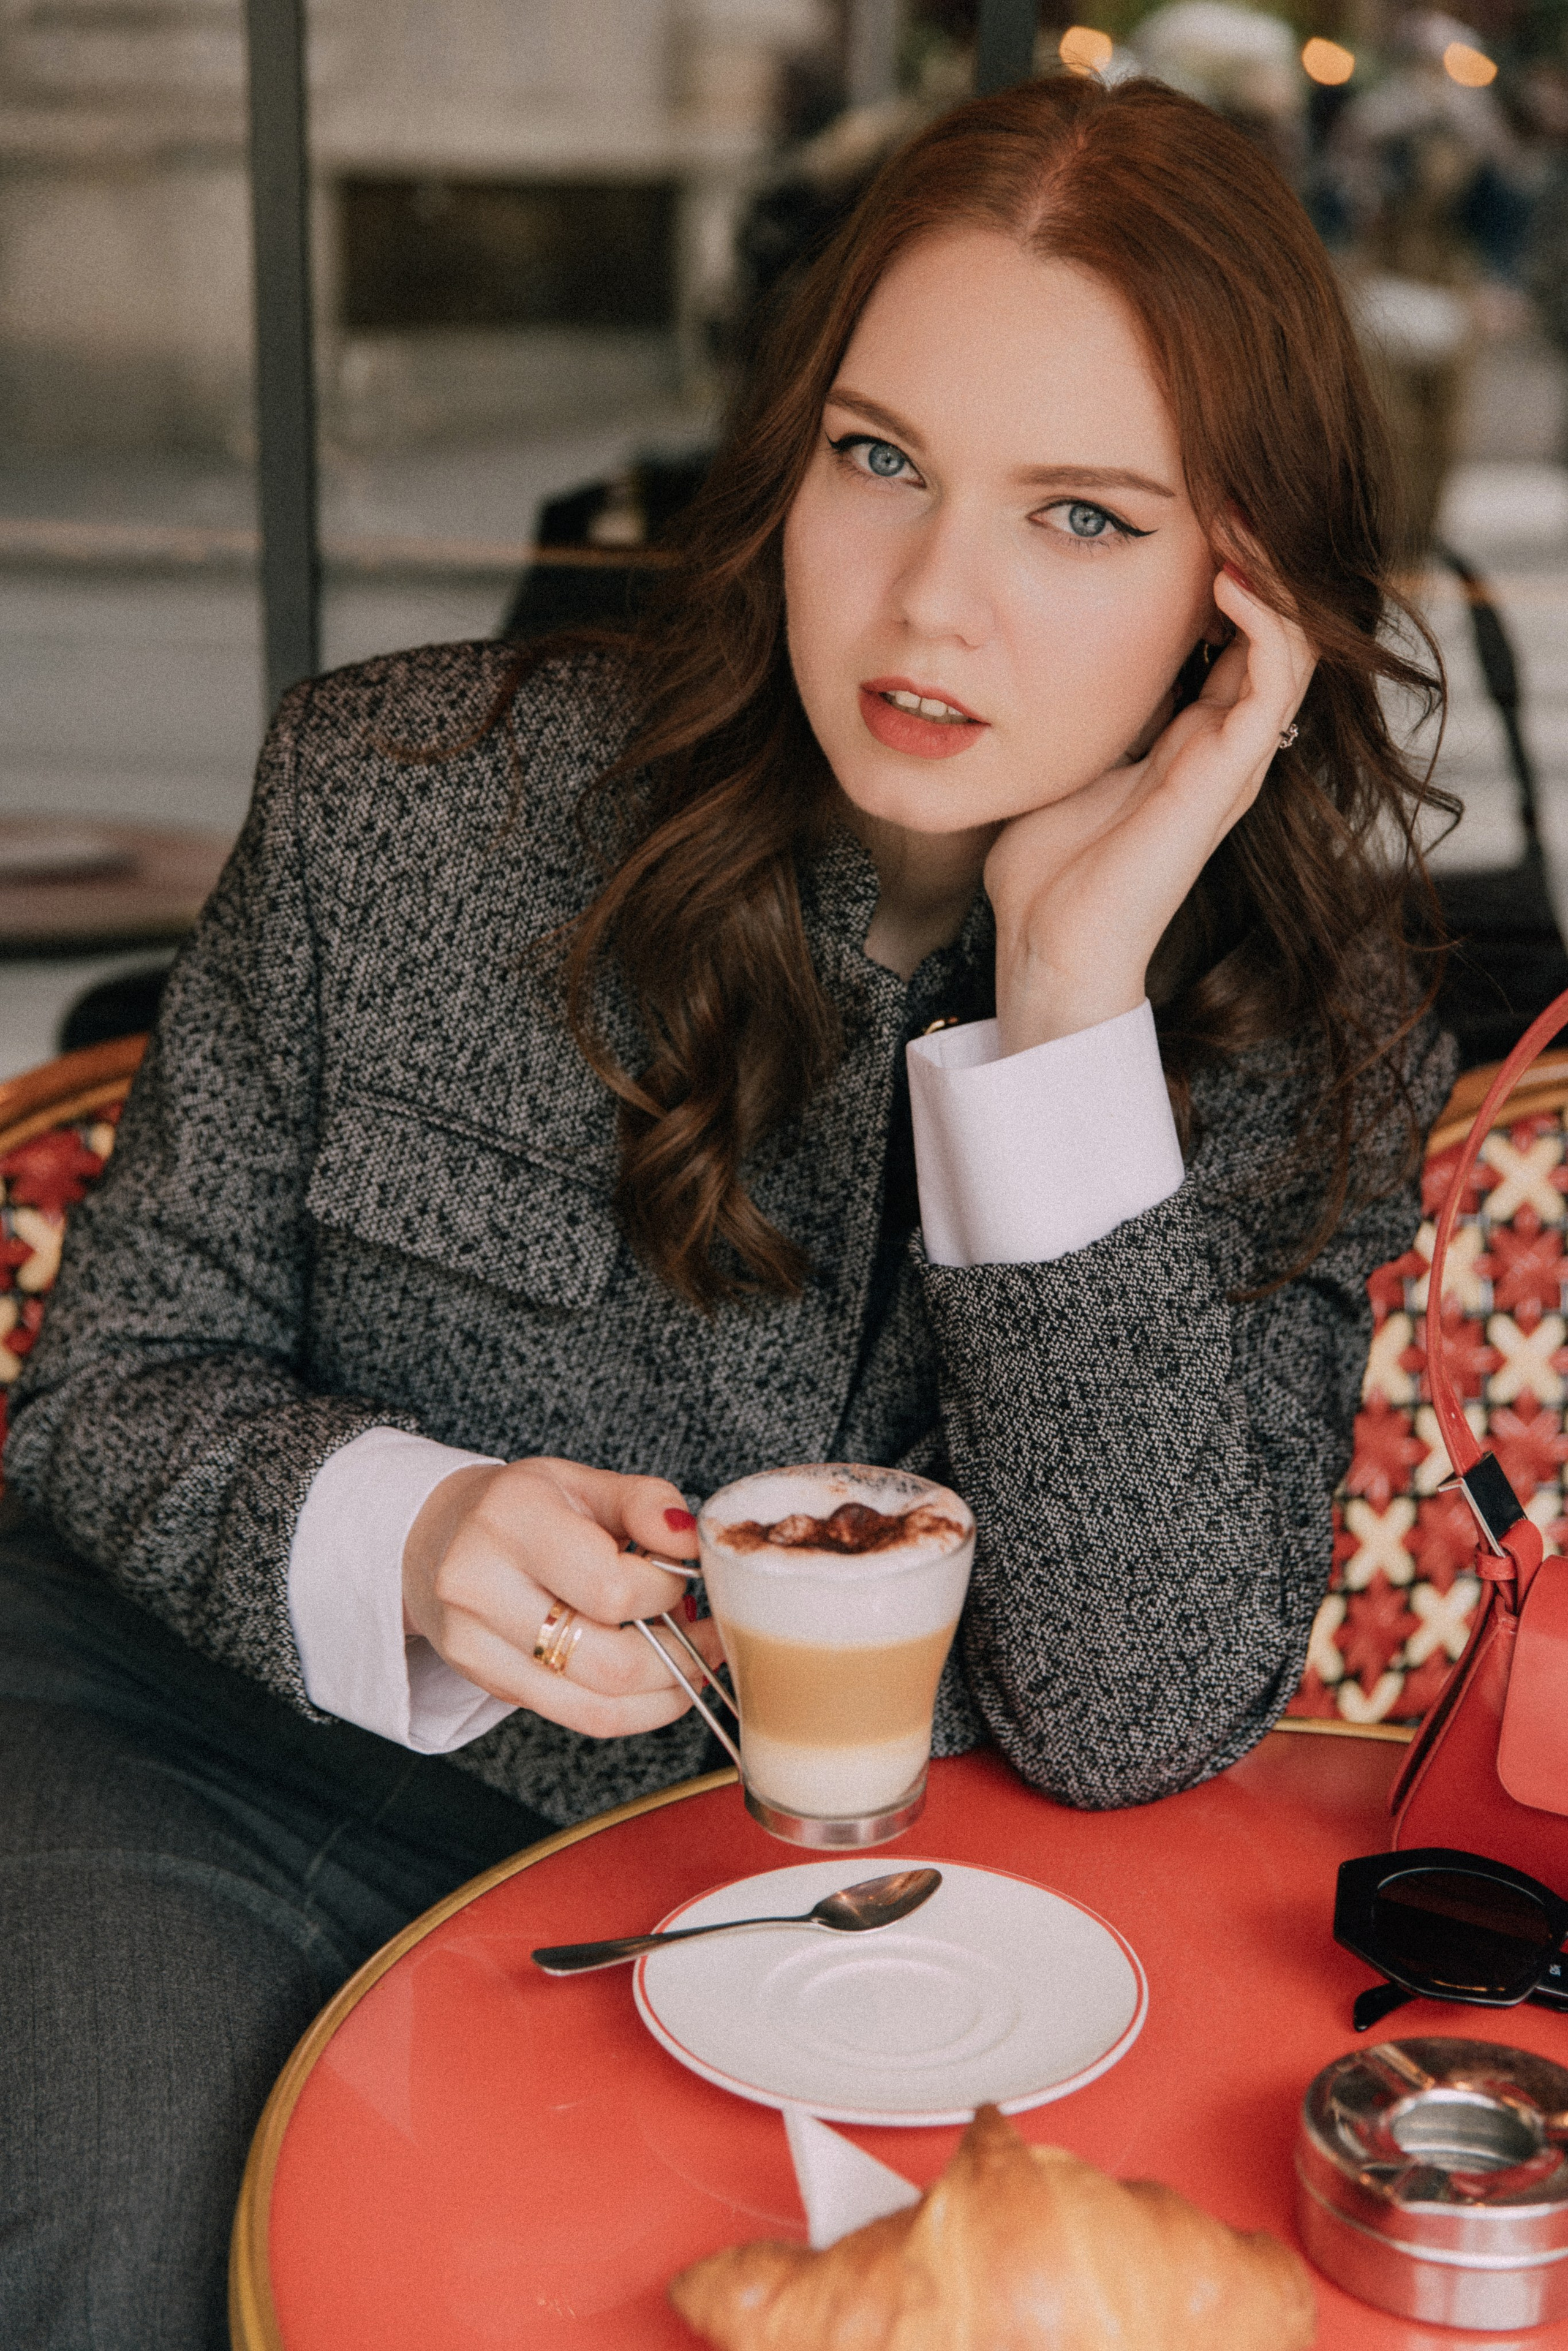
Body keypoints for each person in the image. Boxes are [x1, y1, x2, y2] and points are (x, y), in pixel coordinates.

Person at [2, 70, 1455, 2351]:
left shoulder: (1304, 1034)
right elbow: (104, 1399)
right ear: (789, 460)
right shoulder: (402, 803)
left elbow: (1136, 1705)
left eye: (1082, 518)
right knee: (167, 2264)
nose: (933, 600)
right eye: (879, 461)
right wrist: (402, 1525)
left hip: (842, 1937)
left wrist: (1068, 1015)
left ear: (1236, 600)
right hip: (234, 1772)